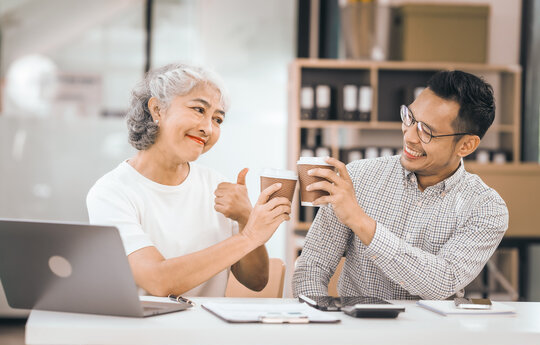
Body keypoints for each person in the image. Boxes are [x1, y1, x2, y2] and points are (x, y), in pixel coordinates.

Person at [293, 70, 509, 300]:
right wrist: (319, 319)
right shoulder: (357, 177)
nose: (410, 136)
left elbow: (442, 282)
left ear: (466, 146)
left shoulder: (486, 208)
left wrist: (360, 221)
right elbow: (311, 267)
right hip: (355, 331)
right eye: (410, 118)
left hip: (433, 334)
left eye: (427, 131)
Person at [87, 63, 291, 297]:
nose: (207, 128)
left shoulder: (217, 186)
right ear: (157, 110)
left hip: (208, 331)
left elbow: (256, 281)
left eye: (218, 119)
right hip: (144, 332)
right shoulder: (112, 192)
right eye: (199, 110)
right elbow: (158, 280)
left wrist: (246, 218)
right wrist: (249, 235)